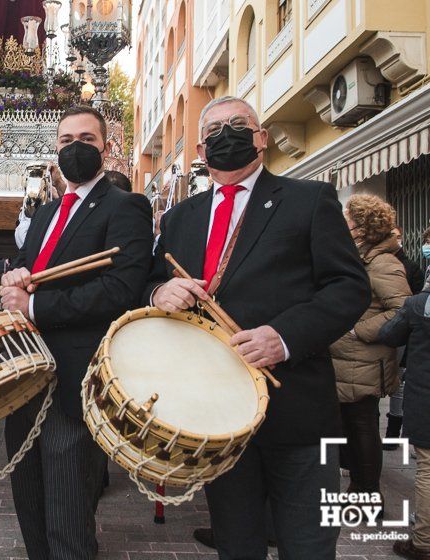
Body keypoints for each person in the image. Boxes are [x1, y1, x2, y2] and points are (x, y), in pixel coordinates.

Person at [145, 95, 370, 560]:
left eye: (239, 125)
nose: (227, 135)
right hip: (215, 418)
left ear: (262, 138)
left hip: (298, 412)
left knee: (308, 547)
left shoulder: (309, 200)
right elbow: (151, 279)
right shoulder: (180, 218)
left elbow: (348, 288)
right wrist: (157, 294)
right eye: (214, 131)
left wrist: (284, 337)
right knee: (237, 545)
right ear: (202, 152)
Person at [0, 105, 154, 559]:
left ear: (105, 147)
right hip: (24, 375)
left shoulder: (127, 206)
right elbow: (28, 268)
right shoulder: (46, 213)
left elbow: (119, 289)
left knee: (68, 515)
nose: (76, 148)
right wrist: (15, 278)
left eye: (86, 139)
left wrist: (37, 305)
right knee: (29, 501)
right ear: (55, 148)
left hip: (76, 378)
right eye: (67, 140)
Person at [330, 194, 409, 505]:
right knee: (351, 427)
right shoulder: (360, 257)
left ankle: (368, 498)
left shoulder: (383, 262)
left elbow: (403, 309)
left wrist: (356, 331)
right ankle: (359, 491)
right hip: (348, 360)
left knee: (362, 427)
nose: (342, 225)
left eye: (347, 220)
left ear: (360, 228)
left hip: (363, 359)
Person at [378, 281, 430, 560]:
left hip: (425, 394)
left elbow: (389, 334)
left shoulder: (417, 305)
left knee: (428, 468)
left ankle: (423, 541)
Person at [384, 225, 424, 450]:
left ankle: (392, 434)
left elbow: (408, 307)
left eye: (399, 237)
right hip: (392, 332)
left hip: (400, 334)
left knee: (398, 385)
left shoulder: (410, 268)